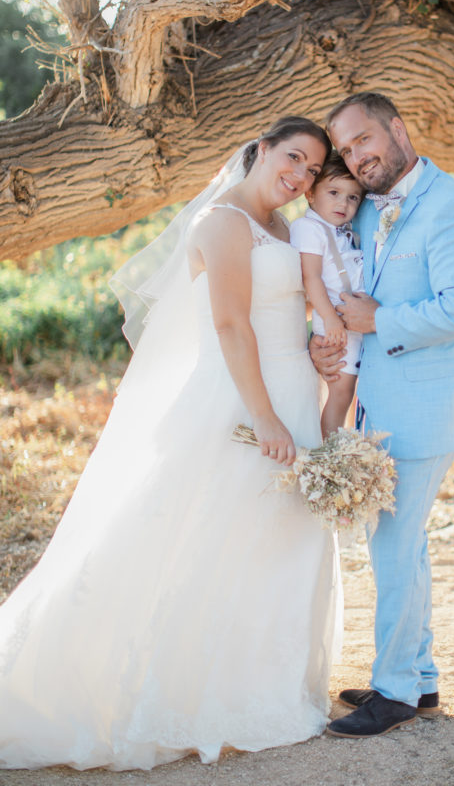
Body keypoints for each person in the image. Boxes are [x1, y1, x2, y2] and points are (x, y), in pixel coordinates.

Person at [0, 116, 342, 771]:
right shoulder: (222, 222)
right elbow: (229, 323)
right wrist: (264, 416)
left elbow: (287, 315)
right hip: (238, 400)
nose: (299, 176)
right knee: (204, 532)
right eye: (292, 158)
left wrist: (318, 357)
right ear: (261, 149)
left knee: (273, 536)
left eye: (311, 170)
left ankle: (261, 688)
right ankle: (174, 694)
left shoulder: (281, 228)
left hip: (292, 390)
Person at [311, 92, 454, 739]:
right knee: (401, 545)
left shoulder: (452, 208)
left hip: (426, 407)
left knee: (391, 547)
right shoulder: (365, 210)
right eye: (348, 150)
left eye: (364, 141)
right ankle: (419, 677)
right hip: (378, 404)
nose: (357, 157)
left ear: (397, 128)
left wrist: (377, 321)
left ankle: (392, 692)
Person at [289, 153, 364, 436]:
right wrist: (330, 320)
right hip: (334, 323)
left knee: (350, 390)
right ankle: (330, 454)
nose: (343, 203)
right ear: (310, 194)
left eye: (353, 197)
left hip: (351, 321)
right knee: (341, 391)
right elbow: (312, 278)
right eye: (334, 193)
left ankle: (342, 446)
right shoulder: (308, 228)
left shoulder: (340, 230)